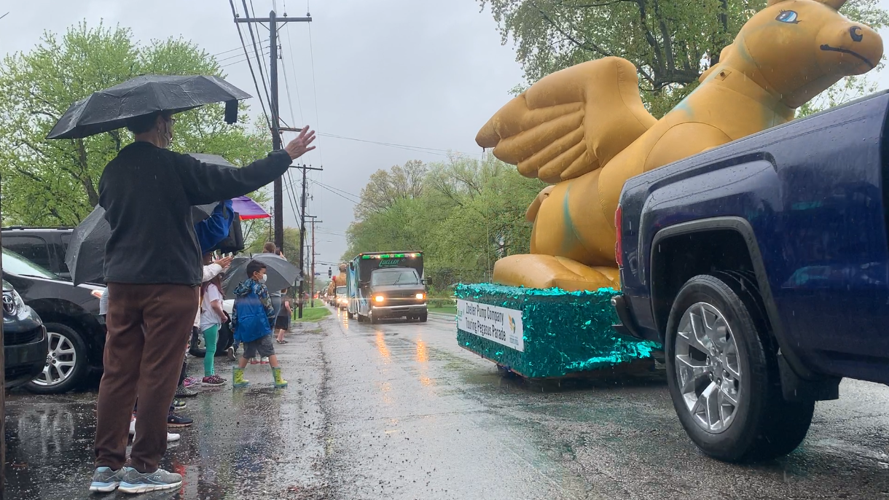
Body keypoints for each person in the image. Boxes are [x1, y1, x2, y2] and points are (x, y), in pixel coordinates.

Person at [90, 108, 315, 495]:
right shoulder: (176, 166)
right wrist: (286, 155)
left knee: (117, 371)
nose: (173, 129)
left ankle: (107, 468)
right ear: (160, 123)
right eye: (171, 123)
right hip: (169, 281)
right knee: (159, 371)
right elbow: (236, 179)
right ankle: (143, 467)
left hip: (122, 281)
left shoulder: (111, 172)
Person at [230, 260, 287, 389]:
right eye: (263, 273)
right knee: (270, 351)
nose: (264, 276)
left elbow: (235, 309)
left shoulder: (240, 289)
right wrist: (271, 322)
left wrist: (234, 326)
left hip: (245, 325)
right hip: (260, 324)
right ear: (255, 274)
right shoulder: (261, 288)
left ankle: (237, 378)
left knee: (248, 352)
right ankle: (278, 379)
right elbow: (268, 307)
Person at [200, 266, 227, 386]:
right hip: (210, 320)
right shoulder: (212, 287)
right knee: (211, 349)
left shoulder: (205, 287)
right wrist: (223, 316)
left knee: (212, 348)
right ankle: (208, 375)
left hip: (207, 319)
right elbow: (215, 304)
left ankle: (211, 373)